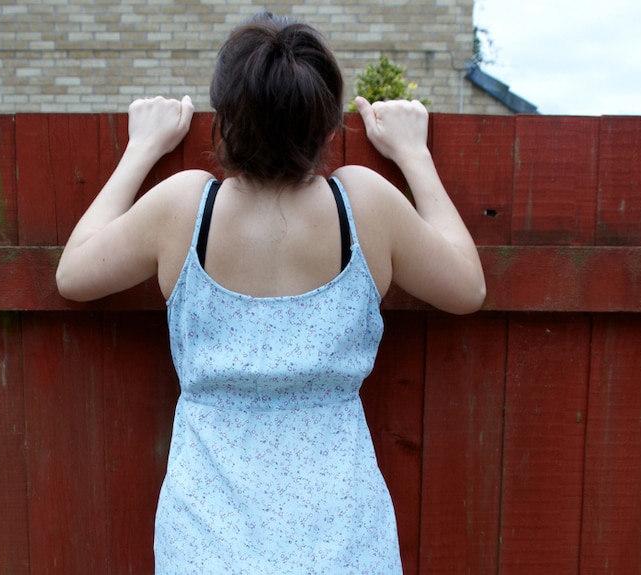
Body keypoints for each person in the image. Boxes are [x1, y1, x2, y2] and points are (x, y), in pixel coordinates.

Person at [56, 12, 485, 575]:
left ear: (226, 119)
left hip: (207, 542)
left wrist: (142, 149)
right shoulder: (364, 205)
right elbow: (467, 286)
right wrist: (414, 155)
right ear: (327, 122)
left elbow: (72, 273)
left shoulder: (186, 207)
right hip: (341, 542)